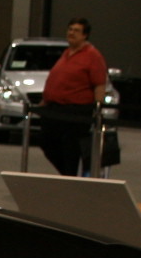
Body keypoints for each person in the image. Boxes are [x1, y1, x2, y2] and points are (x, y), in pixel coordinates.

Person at [38, 16, 110, 176]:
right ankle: (66, 175)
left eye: (76, 31)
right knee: (46, 141)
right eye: (70, 29)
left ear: (85, 35)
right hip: (55, 109)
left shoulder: (92, 55)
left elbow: (99, 84)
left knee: (71, 148)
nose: (71, 33)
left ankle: (69, 177)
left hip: (76, 111)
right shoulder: (67, 53)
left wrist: (97, 109)